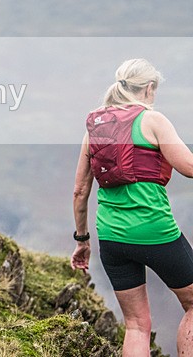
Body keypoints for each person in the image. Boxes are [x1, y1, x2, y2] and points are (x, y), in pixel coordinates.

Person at [71, 59, 193, 356]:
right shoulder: (153, 120)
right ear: (149, 88)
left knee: (136, 324)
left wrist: (83, 240)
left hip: (112, 237)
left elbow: (80, 191)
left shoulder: (95, 128)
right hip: (155, 231)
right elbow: (188, 167)